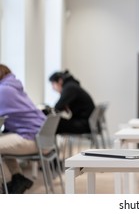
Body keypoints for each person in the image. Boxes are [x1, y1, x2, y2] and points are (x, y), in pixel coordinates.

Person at [0, 64, 46, 193]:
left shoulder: (3, 90)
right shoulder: (14, 87)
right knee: (3, 140)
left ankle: (8, 183)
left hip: (32, 140)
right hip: (41, 138)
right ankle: (17, 178)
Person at [49, 70, 95, 134]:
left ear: (60, 81)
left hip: (84, 124)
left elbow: (58, 107)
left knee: (52, 124)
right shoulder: (72, 85)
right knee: (57, 122)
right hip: (87, 122)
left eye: (53, 84)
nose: (53, 88)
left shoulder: (69, 88)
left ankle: (47, 144)